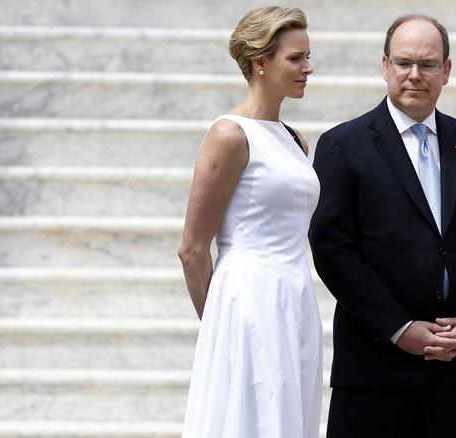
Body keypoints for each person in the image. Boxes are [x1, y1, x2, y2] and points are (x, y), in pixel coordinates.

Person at [308, 13, 456, 438]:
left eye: (427, 64)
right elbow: (332, 249)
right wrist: (398, 328)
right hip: (373, 368)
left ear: (446, 70)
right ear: (385, 65)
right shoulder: (343, 145)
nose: (414, 75)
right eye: (404, 62)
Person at [177, 6, 322, 437]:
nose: (307, 68)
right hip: (246, 299)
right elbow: (192, 249)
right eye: (295, 58)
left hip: (296, 296)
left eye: (307, 57)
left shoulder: (296, 140)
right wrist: (221, 324)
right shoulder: (229, 135)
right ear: (261, 62)